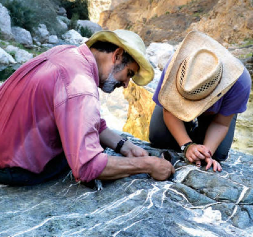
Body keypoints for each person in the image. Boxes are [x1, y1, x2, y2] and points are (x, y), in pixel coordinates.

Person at [0, 29, 175, 186]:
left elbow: (87, 121)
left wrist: (126, 147)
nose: (126, 84)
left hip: (7, 151)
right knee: (87, 152)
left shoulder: (66, 52)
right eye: (128, 73)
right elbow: (87, 166)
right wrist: (149, 166)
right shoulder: (81, 86)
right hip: (14, 170)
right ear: (118, 55)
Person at [149, 31, 251, 172]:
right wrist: (187, 146)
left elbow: (220, 123)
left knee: (218, 154)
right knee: (159, 138)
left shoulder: (239, 82)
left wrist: (205, 153)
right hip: (175, 110)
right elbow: (169, 110)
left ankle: (196, 135)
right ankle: (187, 133)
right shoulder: (175, 66)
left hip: (215, 117)